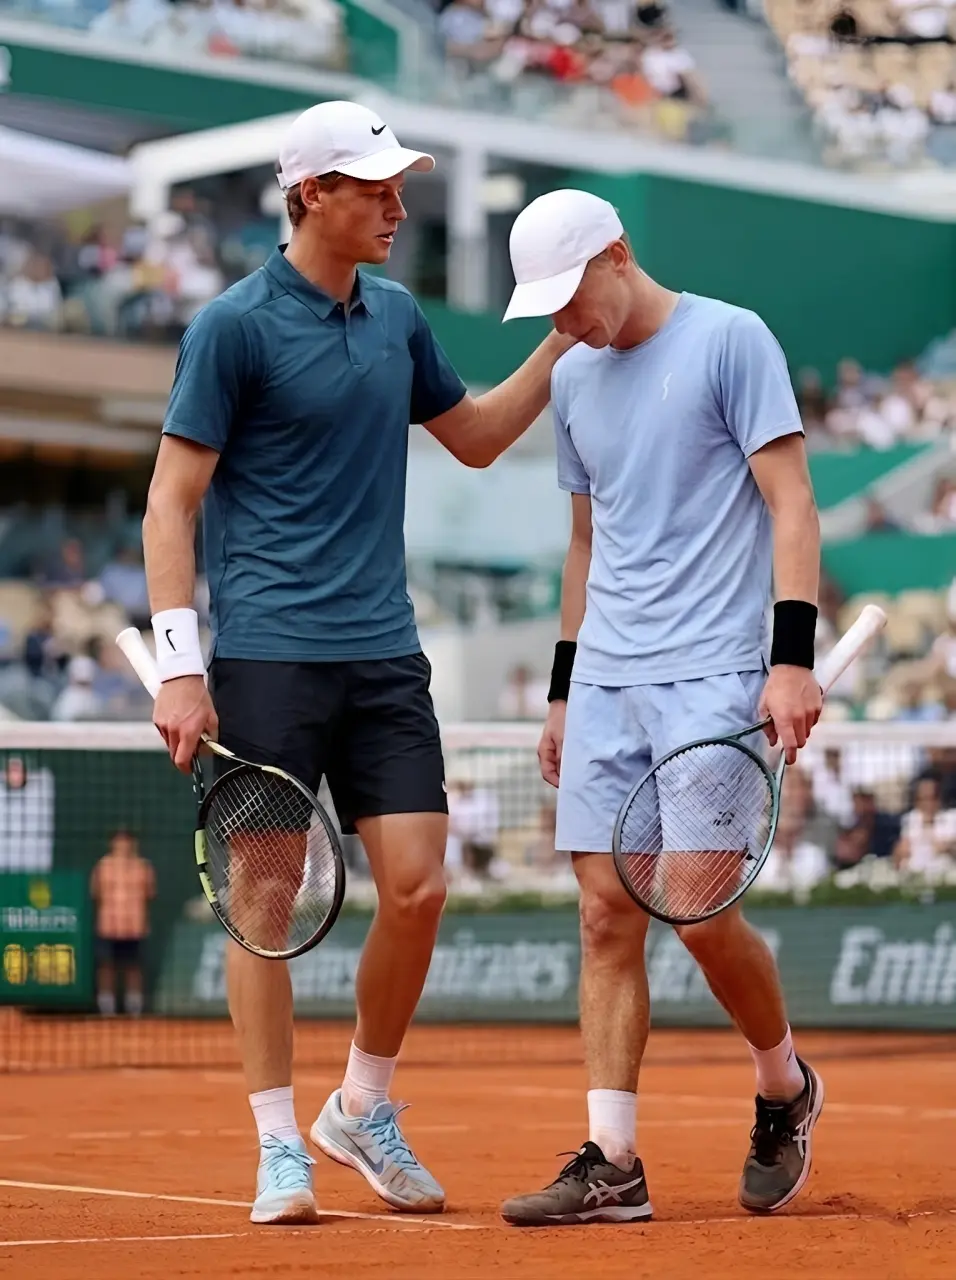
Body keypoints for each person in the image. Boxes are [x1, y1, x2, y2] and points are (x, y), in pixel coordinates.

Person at [142, 100, 573, 1225]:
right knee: (264, 904)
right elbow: (171, 500)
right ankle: (277, 1144)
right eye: (374, 189)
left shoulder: (399, 317)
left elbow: (475, 437)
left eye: (399, 188)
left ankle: (360, 1106)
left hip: (384, 652)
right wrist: (181, 665)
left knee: (419, 888)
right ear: (310, 196)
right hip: (268, 657)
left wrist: (563, 338)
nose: (396, 207)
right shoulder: (231, 328)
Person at [498, 189, 825, 1227]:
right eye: (545, 308)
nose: (562, 322)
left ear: (618, 254)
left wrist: (790, 661)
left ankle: (783, 1083)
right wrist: (563, 690)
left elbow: (791, 503)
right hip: (605, 680)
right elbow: (584, 544)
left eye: (569, 297)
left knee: (699, 911)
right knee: (604, 914)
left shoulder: (731, 339)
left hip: (714, 674)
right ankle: (614, 1160)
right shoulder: (571, 377)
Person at [89, 830, 156, 1016]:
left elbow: (150, 893)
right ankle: (106, 1007)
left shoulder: (143, 867)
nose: (123, 846)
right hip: (108, 926)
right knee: (106, 966)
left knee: (133, 967)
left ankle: (134, 1007)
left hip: (135, 927)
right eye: (119, 842)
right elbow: (95, 892)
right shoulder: (103, 866)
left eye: (127, 842)